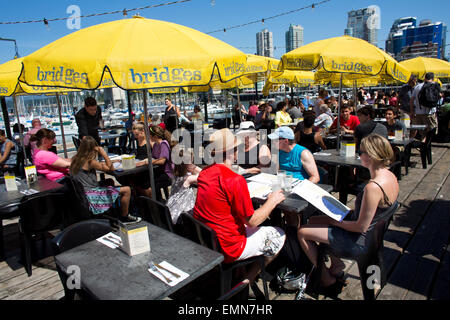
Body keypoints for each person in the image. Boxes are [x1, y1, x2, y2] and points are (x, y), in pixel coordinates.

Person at [297, 134, 399, 297]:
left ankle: (326, 278)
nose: (359, 155)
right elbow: (372, 214)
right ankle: (337, 265)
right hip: (373, 235)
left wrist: (335, 222)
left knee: (302, 232)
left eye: (362, 152)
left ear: (371, 156)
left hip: (358, 240)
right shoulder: (390, 176)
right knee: (314, 220)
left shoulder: (373, 187)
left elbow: (361, 226)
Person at [193, 128, 286, 288]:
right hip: (230, 247)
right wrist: (272, 200)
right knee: (279, 234)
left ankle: (241, 272)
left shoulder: (205, 173)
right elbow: (252, 221)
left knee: (250, 224)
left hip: (209, 239)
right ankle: (247, 280)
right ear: (234, 151)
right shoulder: (235, 179)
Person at [69, 136, 139, 223]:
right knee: (127, 190)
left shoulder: (76, 158)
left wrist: (113, 161)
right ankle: (125, 216)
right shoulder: (90, 161)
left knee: (109, 181)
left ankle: (113, 210)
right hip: (92, 195)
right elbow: (111, 169)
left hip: (82, 193)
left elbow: (99, 165)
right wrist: (104, 153)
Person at [134, 125, 175, 198]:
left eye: (149, 135)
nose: (148, 136)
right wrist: (145, 160)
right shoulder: (156, 145)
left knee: (148, 184)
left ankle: (156, 202)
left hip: (167, 173)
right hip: (159, 171)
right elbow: (153, 158)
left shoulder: (163, 144)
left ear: (154, 136)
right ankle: (154, 200)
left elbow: (162, 160)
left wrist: (147, 162)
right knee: (140, 180)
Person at [166, 148, 202, 225]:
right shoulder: (188, 179)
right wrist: (195, 168)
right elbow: (205, 175)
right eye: (192, 161)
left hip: (171, 208)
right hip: (181, 214)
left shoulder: (176, 175)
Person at [410, 72, 441, 141]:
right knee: (431, 131)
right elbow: (438, 97)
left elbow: (411, 100)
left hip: (418, 113)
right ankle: (426, 148)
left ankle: (423, 147)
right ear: (432, 78)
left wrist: (412, 111)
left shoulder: (417, 87)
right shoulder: (434, 85)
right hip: (430, 113)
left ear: (424, 78)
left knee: (422, 133)